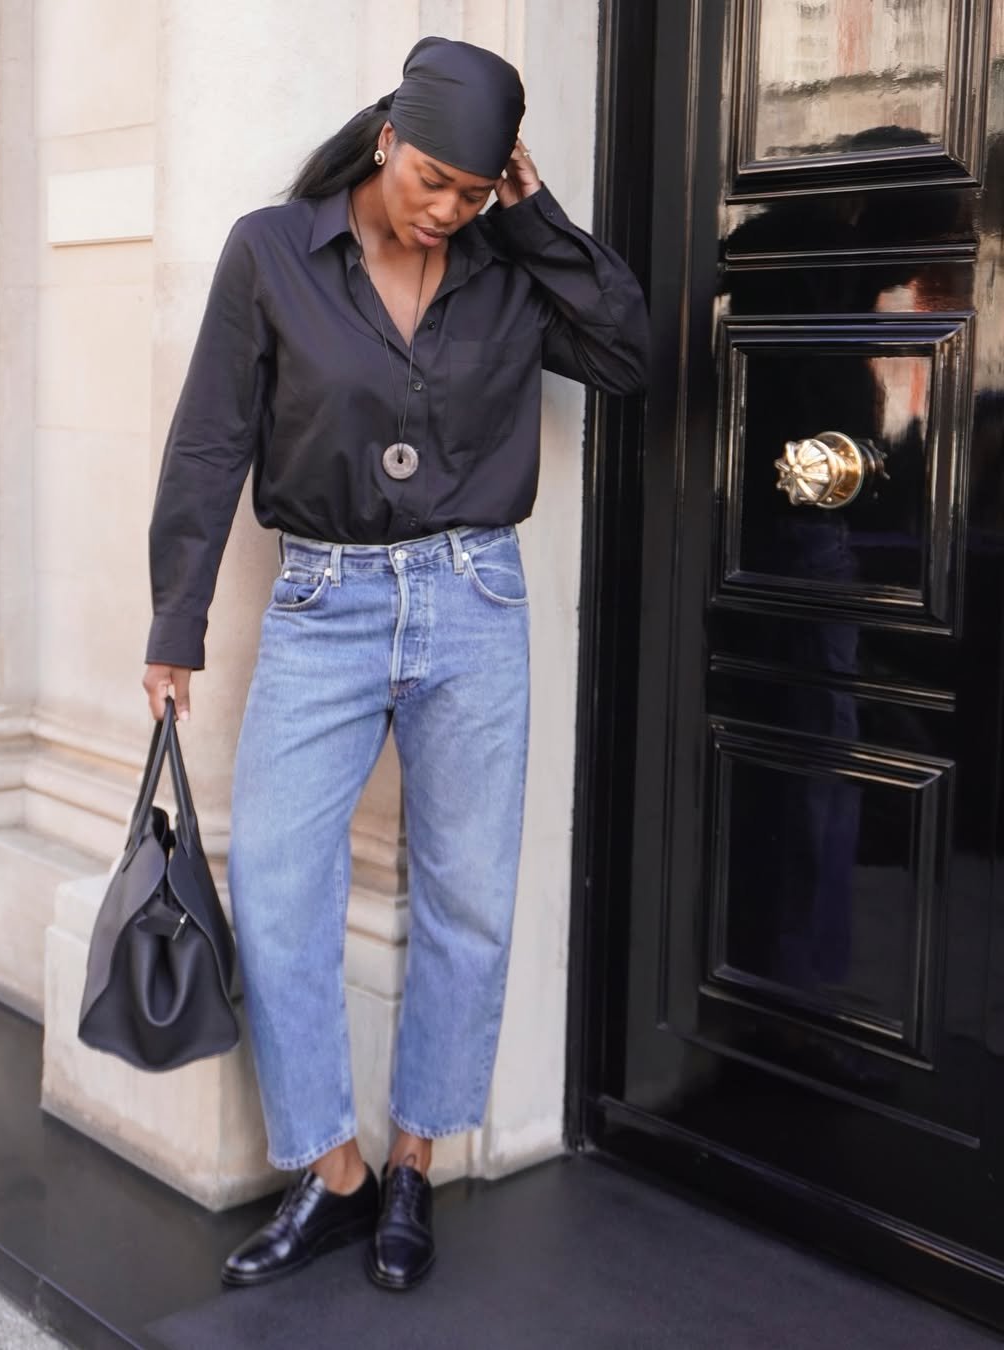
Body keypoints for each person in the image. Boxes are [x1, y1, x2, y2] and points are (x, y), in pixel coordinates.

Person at [142, 35, 649, 1293]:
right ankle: (333, 1173)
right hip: (324, 602)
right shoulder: (272, 252)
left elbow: (630, 353)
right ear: (387, 139)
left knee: (467, 898)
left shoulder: (508, 262)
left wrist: (532, 224)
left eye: (473, 192)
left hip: (474, 596)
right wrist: (175, 621)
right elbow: (211, 440)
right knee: (272, 882)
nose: (444, 211)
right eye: (432, 180)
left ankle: (415, 1161)